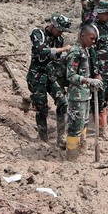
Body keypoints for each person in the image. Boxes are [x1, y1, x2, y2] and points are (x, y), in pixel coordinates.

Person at [27, 14, 73, 145]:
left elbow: (57, 61)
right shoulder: (38, 33)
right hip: (37, 76)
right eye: (59, 29)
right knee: (42, 108)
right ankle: (42, 138)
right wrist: (62, 49)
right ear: (52, 26)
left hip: (51, 76)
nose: (60, 33)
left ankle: (61, 137)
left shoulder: (58, 40)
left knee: (63, 102)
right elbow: (40, 51)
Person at [64, 25, 102, 159]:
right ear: (83, 36)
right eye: (92, 38)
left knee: (84, 122)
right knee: (75, 125)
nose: (93, 42)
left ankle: (81, 149)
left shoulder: (85, 50)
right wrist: (87, 80)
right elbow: (70, 76)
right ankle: (72, 156)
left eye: (95, 39)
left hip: (85, 94)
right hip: (76, 96)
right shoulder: (75, 52)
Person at [85, 0, 108, 137]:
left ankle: (103, 124)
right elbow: (92, 53)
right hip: (100, 70)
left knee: (106, 96)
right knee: (99, 98)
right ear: (100, 13)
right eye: (107, 13)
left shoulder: (107, 25)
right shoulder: (93, 29)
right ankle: (101, 128)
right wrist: (96, 73)